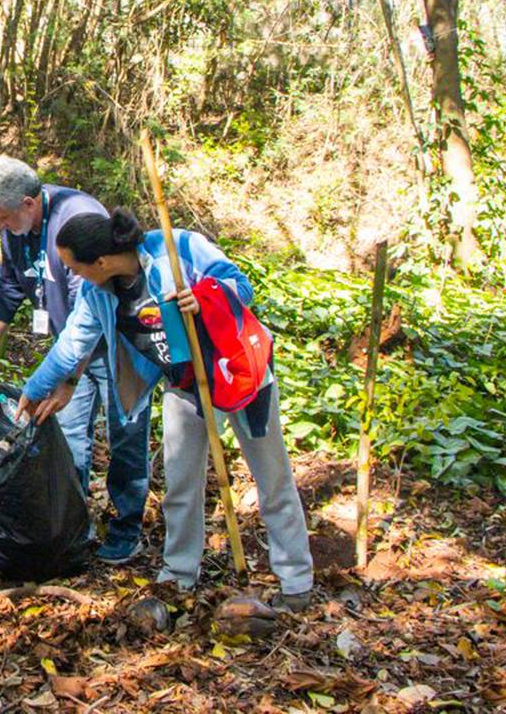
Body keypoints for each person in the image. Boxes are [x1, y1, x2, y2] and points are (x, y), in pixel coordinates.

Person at [16, 208, 315, 607]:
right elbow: (72, 345)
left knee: (272, 479)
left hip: (239, 373)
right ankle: (178, 576)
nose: (75, 275)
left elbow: (240, 286)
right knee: (180, 485)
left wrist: (205, 297)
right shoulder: (96, 293)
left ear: (100, 262)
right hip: (184, 384)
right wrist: (34, 387)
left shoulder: (178, 248)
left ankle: (296, 581)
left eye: (75, 266)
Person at [0, 156, 153, 564]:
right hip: (70, 348)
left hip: (118, 348)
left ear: (27, 202)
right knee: (68, 441)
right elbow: (9, 286)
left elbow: (88, 313)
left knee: (125, 440)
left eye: (2, 217)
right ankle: (70, 527)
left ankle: (126, 529)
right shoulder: (18, 228)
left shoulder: (75, 221)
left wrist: (68, 379)